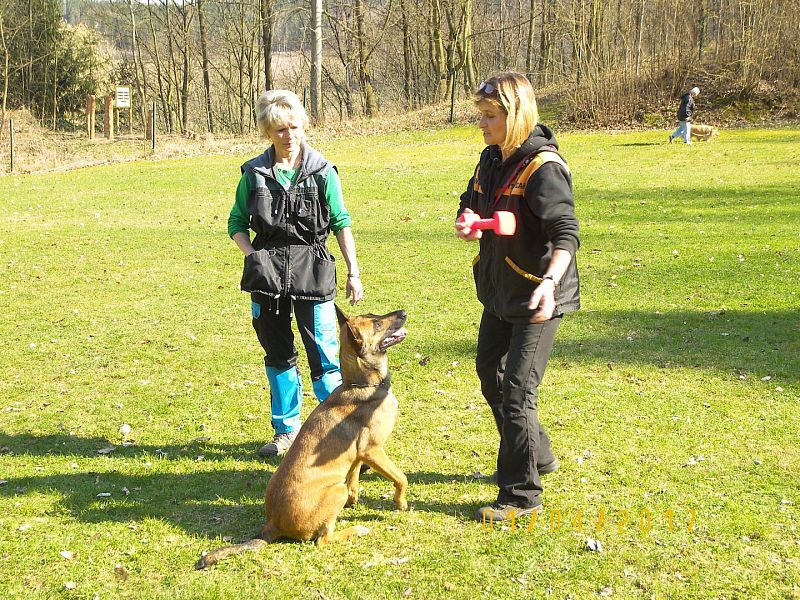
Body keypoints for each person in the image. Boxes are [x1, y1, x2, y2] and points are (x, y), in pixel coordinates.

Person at [455, 72, 580, 522]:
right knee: (490, 371)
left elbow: (566, 232)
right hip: (499, 291)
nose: (482, 125)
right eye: (481, 116)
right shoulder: (490, 159)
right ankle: (538, 455)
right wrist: (468, 221)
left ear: (516, 114)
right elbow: (471, 202)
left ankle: (521, 496)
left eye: (489, 117)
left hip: (538, 294)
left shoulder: (542, 167)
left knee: (517, 391)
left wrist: (549, 282)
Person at [228, 89, 363, 457]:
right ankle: (286, 432)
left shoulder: (322, 172)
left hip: (314, 270)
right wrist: (254, 256)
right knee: (278, 354)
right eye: (279, 130)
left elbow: (341, 221)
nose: (288, 136)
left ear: (304, 126)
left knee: (324, 356)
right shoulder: (253, 173)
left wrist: (354, 270)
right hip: (267, 276)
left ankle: (343, 433)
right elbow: (236, 223)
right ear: (267, 133)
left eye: (294, 127)